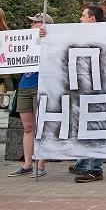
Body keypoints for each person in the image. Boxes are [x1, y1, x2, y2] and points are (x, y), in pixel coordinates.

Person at [7, 12, 53, 178]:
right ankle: (27, 163)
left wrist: (46, 37)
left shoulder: (50, 41)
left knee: (41, 127)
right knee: (27, 127)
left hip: (40, 86)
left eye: (35, 22)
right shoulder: (26, 41)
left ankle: (40, 164)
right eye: (32, 22)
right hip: (24, 86)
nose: (31, 25)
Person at [68, 5, 105, 183]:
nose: (80, 18)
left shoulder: (104, 35)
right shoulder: (82, 35)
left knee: (96, 126)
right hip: (85, 85)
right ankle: (83, 162)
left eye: (83, 15)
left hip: (98, 87)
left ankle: (95, 168)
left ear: (92, 19)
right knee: (84, 125)